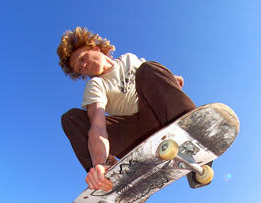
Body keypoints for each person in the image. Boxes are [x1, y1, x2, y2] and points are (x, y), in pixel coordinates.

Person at [57, 27, 212, 192]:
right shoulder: (96, 85)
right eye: (80, 70)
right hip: (135, 136)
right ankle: (110, 177)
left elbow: (152, 80)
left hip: (161, 118)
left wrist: (169, 79)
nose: (84, 67)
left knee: (148, 69)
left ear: (95, 48)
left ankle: (192, 140)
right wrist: (98, 164)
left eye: (82, 59)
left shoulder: (129, 58)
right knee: (71, 119)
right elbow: (97, 125)